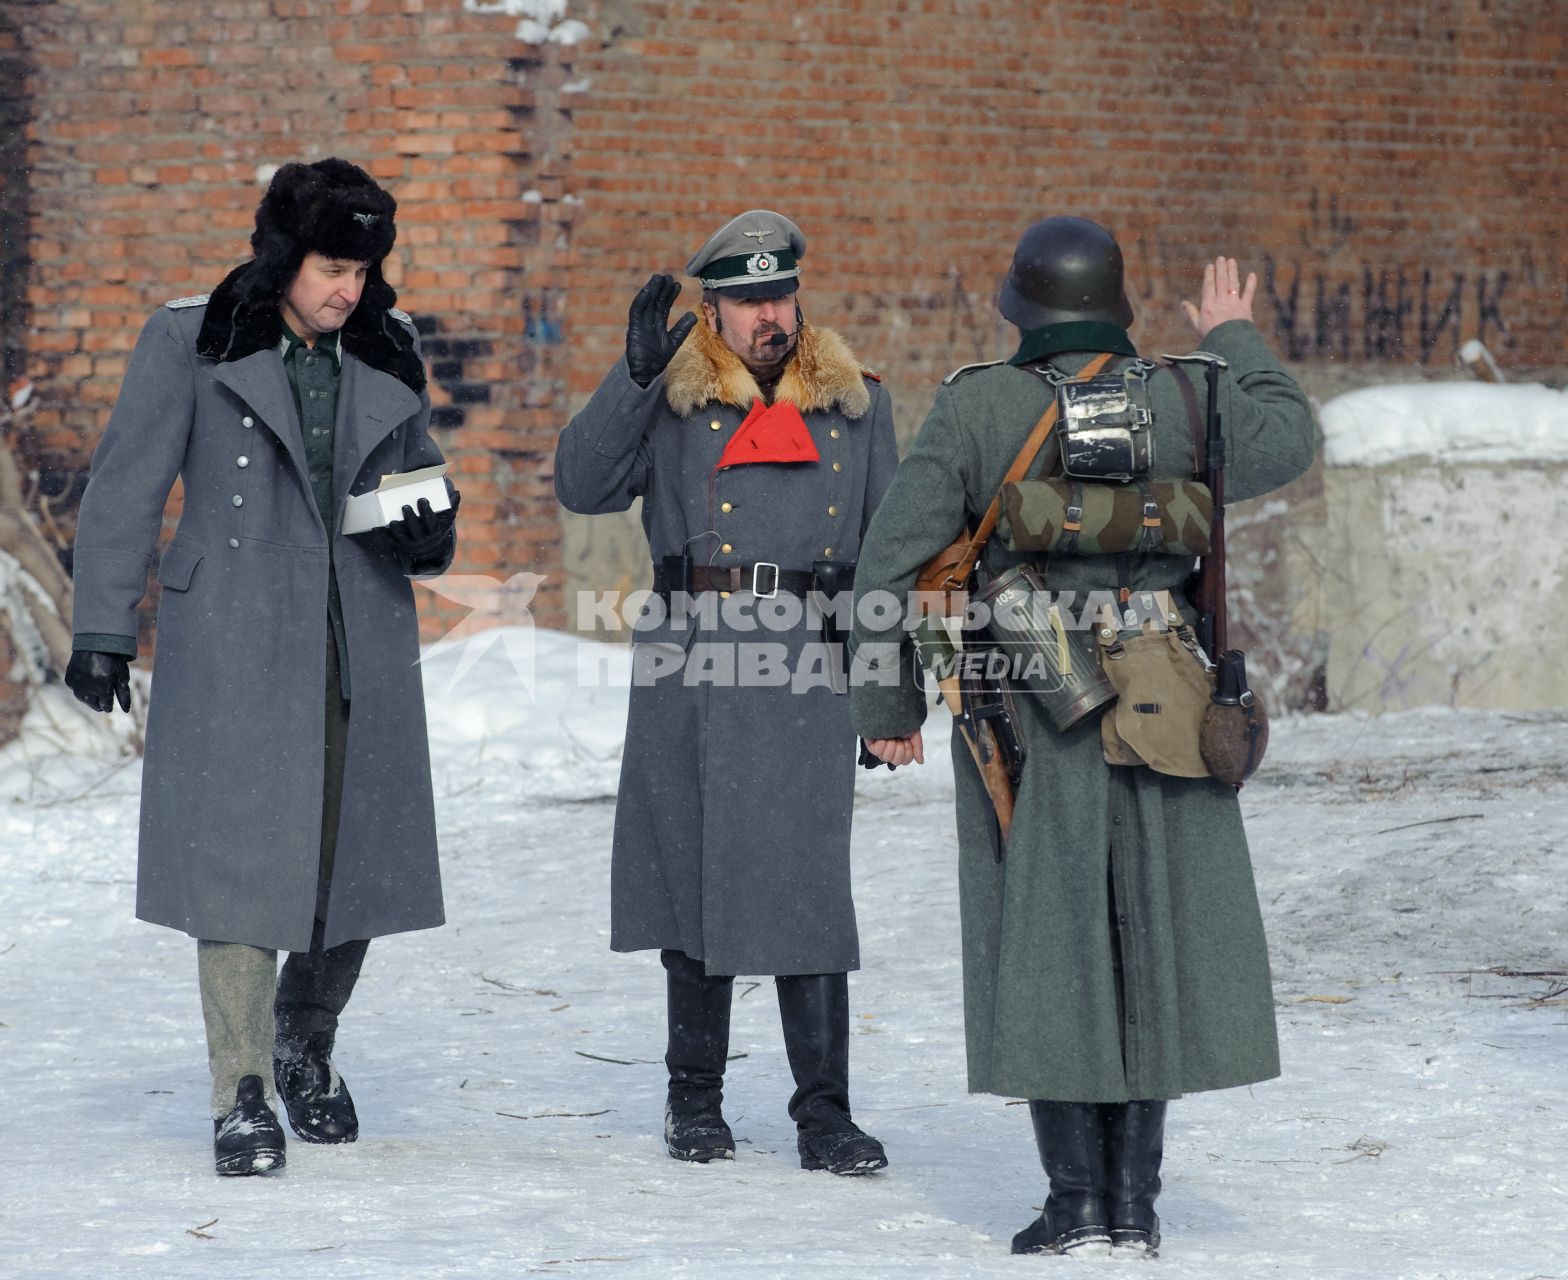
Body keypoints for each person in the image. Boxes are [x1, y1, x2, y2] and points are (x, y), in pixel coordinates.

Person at [850, 216, 1316, 1252]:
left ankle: (1073, 1201)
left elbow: (885, 572)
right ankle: (1134, 1203)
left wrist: (887, 713)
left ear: (1017, 308)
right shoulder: (1190, 393)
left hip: (1030, 709)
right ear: (1119, 305)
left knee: (1048, 940)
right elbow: (1289, 436)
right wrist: (1233, 335)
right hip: (1170, 703)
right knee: (1149, 930)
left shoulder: (979, 403)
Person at [65, 158, 459, 1177]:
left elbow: (414, 471)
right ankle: (240, 1087)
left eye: (364, 270)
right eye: (333, 266)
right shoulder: (193, 339)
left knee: (356, 857)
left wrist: (430, 525)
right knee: (242, 861)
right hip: (233, 632)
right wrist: (103, 626)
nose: (349, 290)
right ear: (286, 255)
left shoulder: (389, 346)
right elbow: (124, 486)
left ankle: (304, 1035)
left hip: (358, 629)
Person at [554, 210, 898, 1176]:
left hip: (807, 663)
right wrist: (630, 381)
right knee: (690, 877)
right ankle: (692, 1101)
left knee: (808, 885)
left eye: (780, 294)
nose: (768, 316)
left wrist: (885, 691)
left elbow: (889, 559)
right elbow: (579, 484)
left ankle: (824, 1116)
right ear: (712, 310)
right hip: (692, 659)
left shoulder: (859, 407)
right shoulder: (666, 404)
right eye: (748, 300)